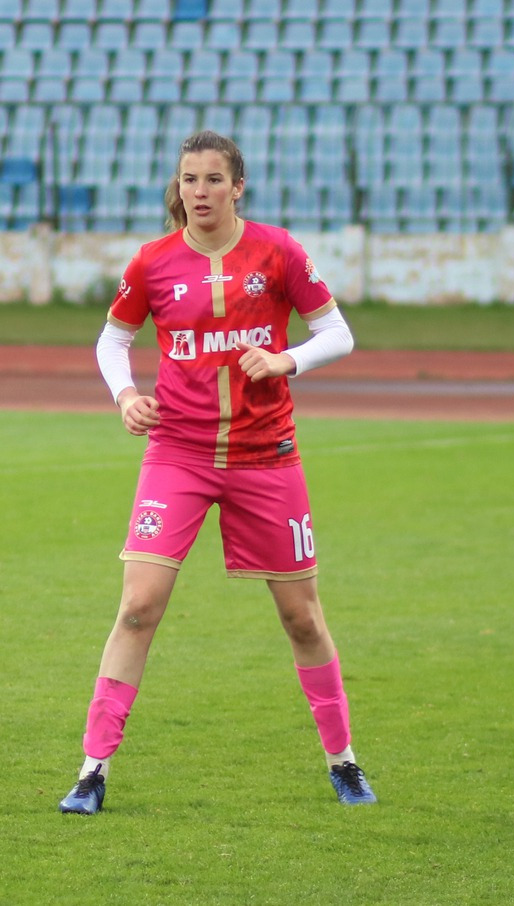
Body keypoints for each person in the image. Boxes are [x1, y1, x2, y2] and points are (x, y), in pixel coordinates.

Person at [59, 131, 375, 814]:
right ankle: (92, 771)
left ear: (238, 186)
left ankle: (343, 761)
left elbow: (338, 333)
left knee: (301, 618)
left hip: (267, 455)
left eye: (212, 179)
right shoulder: (153, 262)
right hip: (179, 452)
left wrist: (287, 359)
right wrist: (126, 396)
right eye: (188, 179)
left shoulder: (278, 251)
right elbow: (114, 339)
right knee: (138, 607)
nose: (199, 191)